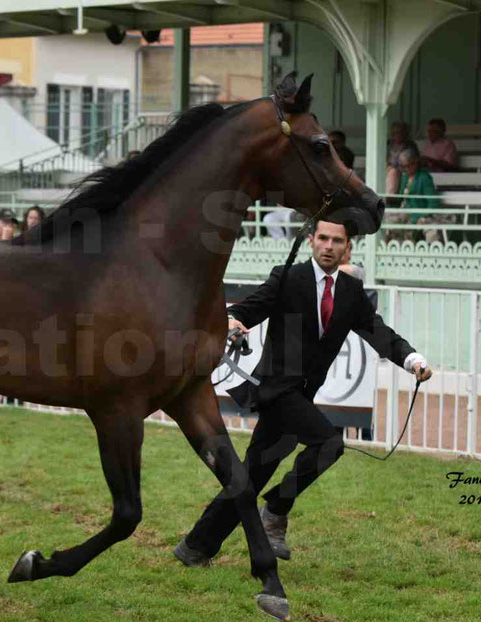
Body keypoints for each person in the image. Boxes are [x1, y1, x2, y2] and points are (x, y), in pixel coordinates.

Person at [173, 220, 432, 567]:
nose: (328, 245)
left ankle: (195, 547)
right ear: (311, 241)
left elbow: (378, 332)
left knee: (251, 475)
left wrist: (412, 359)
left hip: (303, 395)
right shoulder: (287, 277)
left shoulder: (351, 292)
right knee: (329, 444)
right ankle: (277, 509)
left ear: (347, 248)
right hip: (277, 392)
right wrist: (233, 320)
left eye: (336, 240)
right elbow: (248, 308)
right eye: (322, 238)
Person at [387, 147, 442, 243]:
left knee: (427, 229)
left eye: (407, 166)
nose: (404, 169)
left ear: (415, 163)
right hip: (405, 213)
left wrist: (417, 217)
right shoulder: (404, 177)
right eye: (402, 166)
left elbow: (433, 204)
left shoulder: (424, 178)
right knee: (387, 221)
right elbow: (400, 199)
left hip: (421, 214)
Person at [385, 121, 418, 197]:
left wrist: (392, 167)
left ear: (405, 133)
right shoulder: (389, 144)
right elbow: (384, 159)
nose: (397, 135)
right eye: (395, 133)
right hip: (388, 169)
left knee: (393, 172)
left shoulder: (410, 145)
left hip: (402, 171)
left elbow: (411, 163)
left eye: (400, 132)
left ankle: (388, 198)